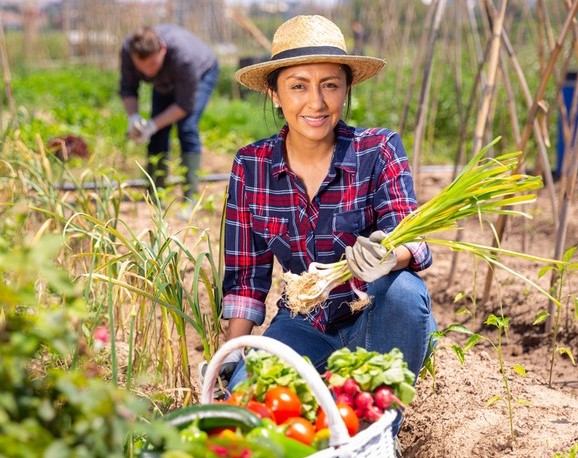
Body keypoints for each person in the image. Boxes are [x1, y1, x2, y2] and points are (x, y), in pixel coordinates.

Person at [219, 15, 437, 439]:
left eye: (330, 85)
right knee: (248, 414)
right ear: (274, 93)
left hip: (377, 318)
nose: (316, 103)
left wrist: (393, 256)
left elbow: (413, 237)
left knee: (406, 292)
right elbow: (247, 278)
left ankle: (378, 435)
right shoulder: (252, 166)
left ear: (346, 90)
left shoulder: (377, 149)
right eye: (299, 85)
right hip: (303, 322)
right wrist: (233, 352)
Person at [119, 25, 219, 203]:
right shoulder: (128, 50)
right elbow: (128, 88)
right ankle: (155, 193)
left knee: (186, 127)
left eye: (152, 65)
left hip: (202, 72)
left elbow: (184, 105)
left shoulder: (185, 58)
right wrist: (133, 117)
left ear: (162, 50)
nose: (147, 72)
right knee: (157, 133)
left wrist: (152, 124)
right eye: (141, 67)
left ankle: (190, 198)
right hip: (165, 81)